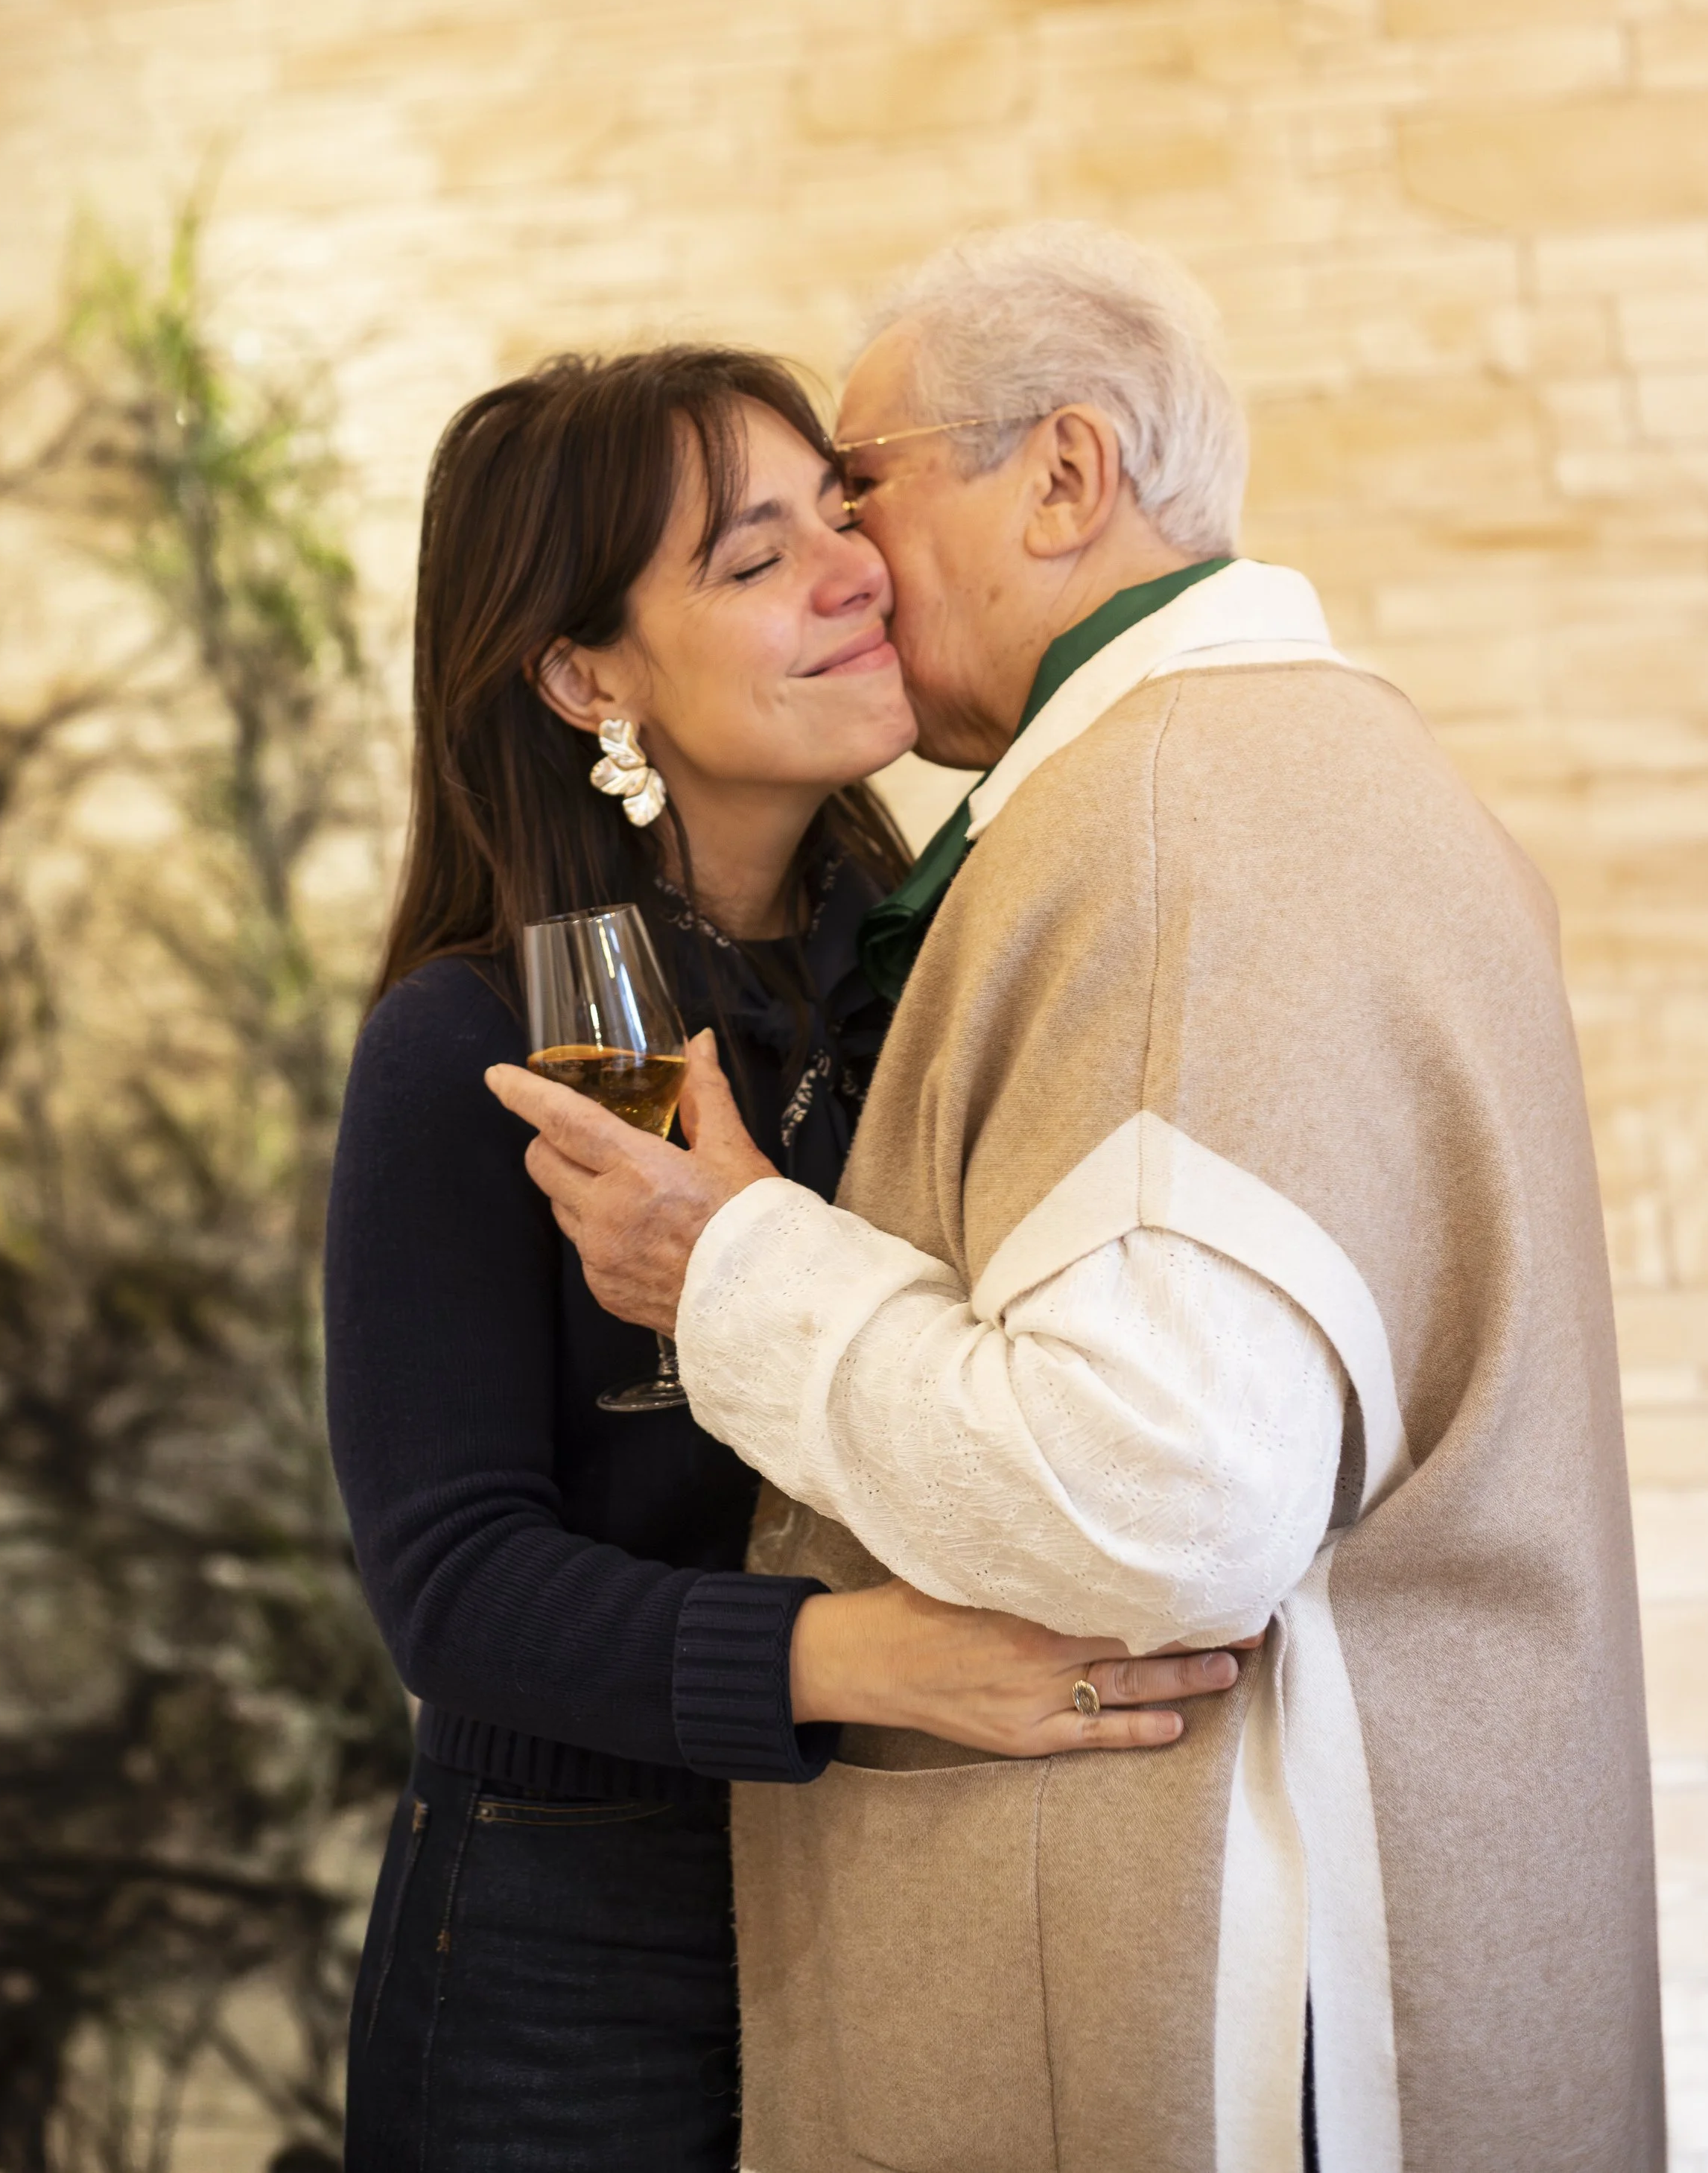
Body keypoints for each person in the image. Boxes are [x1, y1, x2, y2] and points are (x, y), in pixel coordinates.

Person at [492, 226, 1666, 2173]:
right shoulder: (1309, 763)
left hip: (1252, 1986)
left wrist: (734, 1267)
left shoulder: (1166, 811)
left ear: (1061, 474)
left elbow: (1161, 1488)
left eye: (856, 487)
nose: (848, 563)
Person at [326, 343, 1236, 2173]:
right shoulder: (481, 1047)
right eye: (750, 563)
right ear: (587, 676)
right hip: (563, 1937)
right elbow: (453, 1586)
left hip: (889, 1882)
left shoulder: (934, 975)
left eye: (838, 514)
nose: (851, 572)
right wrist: (863, 1662)